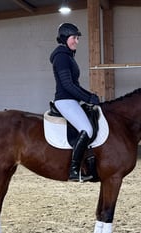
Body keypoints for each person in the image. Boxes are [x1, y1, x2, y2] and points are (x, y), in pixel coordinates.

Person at [50, 22, 100, 182]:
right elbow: (67, 85)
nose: (77, 41)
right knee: (87, 129)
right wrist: (88, 98)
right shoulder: (61, 57)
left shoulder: (68, 56)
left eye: (77, 38)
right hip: (65, 100)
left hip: (71, 99)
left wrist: (90, 95)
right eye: (74, 38)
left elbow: (75, 85)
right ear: (65, 38)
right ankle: (74, 169)